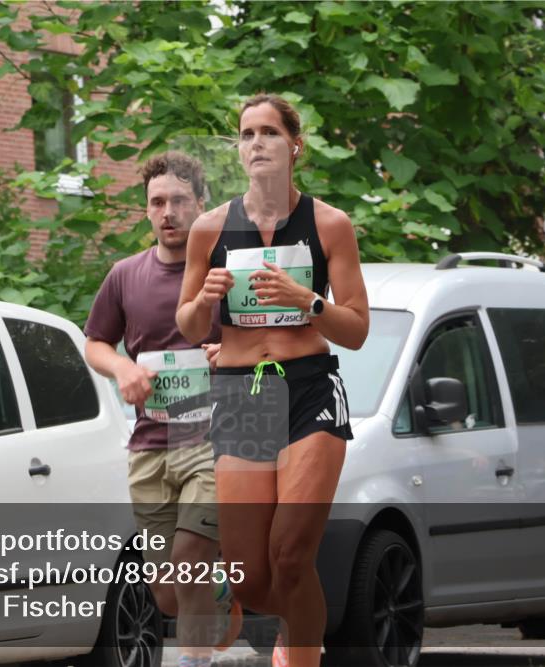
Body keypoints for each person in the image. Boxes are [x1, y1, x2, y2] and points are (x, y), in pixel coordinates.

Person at [176, 95, 370, 667]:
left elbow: (356, 330)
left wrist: (306, 300)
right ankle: (288, 622)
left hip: (308, 388)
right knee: (249, 574)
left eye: (268, 132)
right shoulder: (209, 229)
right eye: (246, 134)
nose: (256, 143)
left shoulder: (329, 224)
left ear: (294, 146)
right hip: (242, 397)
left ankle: (301, 654)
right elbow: (188, 327)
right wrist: (205, 299)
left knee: (290, 556)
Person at [84, 151, 241, 667]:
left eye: (178, 200)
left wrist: (230, 352)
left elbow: (274, 341)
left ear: (201, 204)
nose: (168, 211)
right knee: (166, 591)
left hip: (216, 440)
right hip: (151, 444)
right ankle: (220, 592)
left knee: (188, 556)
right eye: (157, 202)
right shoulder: (126, 275)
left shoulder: (227, 272)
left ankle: (196, 660)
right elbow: (95, 343)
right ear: (146, 210)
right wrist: (123, 371)